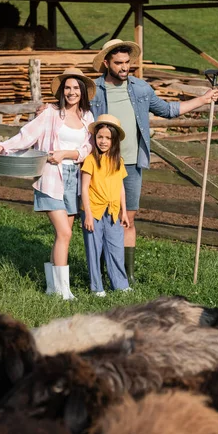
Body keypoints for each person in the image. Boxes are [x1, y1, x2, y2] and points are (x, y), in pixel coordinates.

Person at [38, 39, 218, 285]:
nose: (124, 67)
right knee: (96, 219)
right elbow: (71, 106)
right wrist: (47, 109)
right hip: (99, 164)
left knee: (126, 219)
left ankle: (126, 275)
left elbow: (167, 110)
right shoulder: (94, 90)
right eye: (119, 63)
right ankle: (99, 273)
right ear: (106, 63)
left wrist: (203, 99)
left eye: (127, 62)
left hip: (131, 164)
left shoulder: (140, 89)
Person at [0, 67, 96, 300]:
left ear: (83, 91)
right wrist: (2, 147)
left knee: (62, 236)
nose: (71, 92)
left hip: (73, 179)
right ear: (62, 91)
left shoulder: (88, 117)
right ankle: (64, 291)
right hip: (50, 178)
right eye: (67, 88)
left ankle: (51, 287)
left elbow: (89, 147)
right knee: (64, 233)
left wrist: (67, 153)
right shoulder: (51, 113)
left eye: (76, 88)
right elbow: (27, 134)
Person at [81, 114, 130, 297]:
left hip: (113, 211)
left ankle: (120, 284)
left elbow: (121, 188)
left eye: (108, 138)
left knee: (116, 248)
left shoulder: (118, 161)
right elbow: (84, 188)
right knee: (94, 250)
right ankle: (97, 287)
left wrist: (124, 211)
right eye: (100, 137)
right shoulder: (90, 160)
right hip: (93, 211)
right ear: (95, 138)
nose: (103, 141)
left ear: (114, 140)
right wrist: (87, 214)